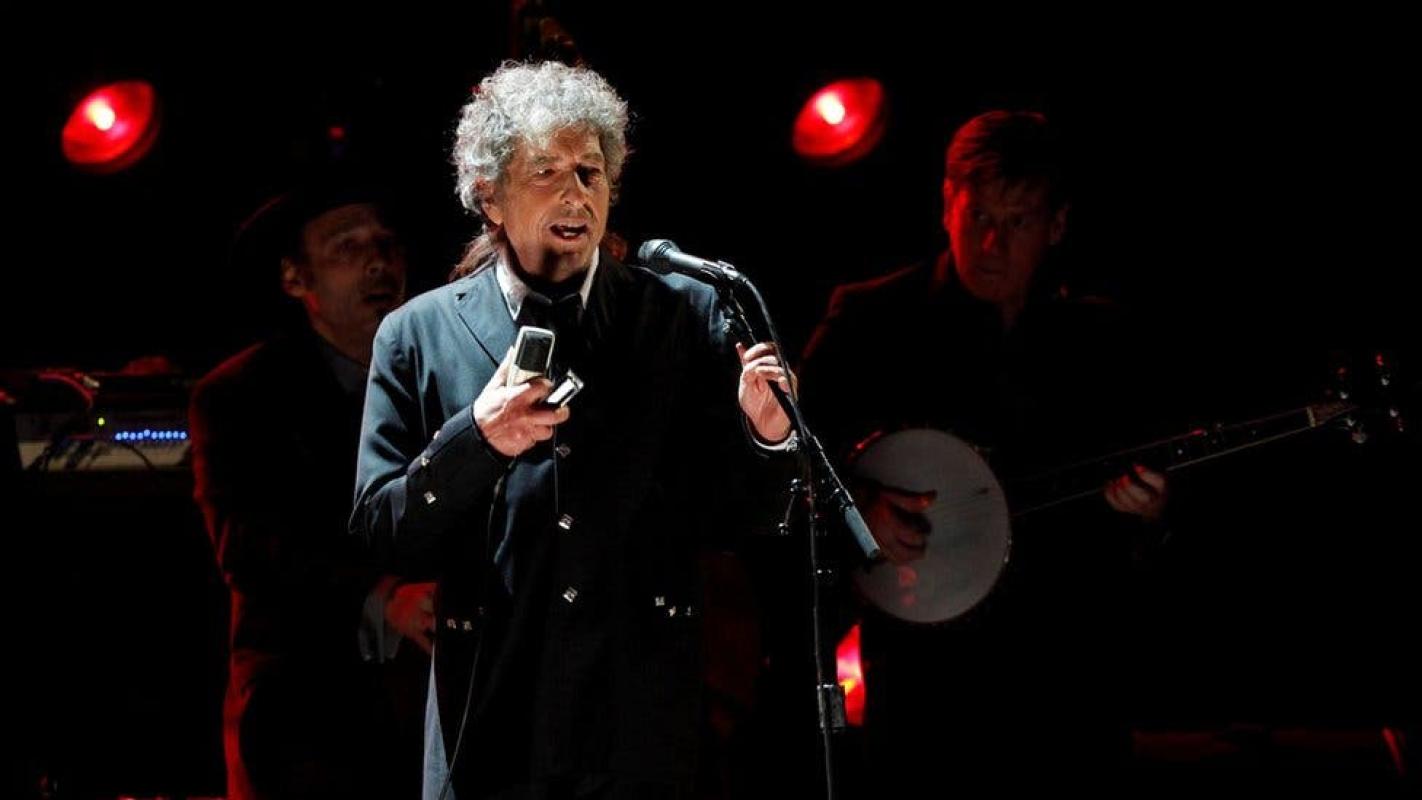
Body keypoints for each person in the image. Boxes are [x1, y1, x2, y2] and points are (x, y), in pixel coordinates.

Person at [350, 61, 797, 799]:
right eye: (547, 171)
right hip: (491, 723)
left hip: (639, 726)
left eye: (590, 172)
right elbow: (382, 532)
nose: (575, 194)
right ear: (489, 196)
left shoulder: (680, 315)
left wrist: (768, 437)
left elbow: (734, 520)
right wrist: (478, 439)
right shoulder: (416, 334)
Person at [799, 110, 1169, 789]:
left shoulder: (1102, 344)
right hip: (928, 684)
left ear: (1057, 225)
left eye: (1018, 221)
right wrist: (858, 510)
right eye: (978, 216)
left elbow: (1155, 517)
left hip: (1072, 680)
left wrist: (1150, 514)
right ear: (947, 204)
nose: (992, 242)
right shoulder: (872, 322)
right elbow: (782, 466)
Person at [190, 175, 430, 799]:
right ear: (296, 280)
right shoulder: (241, 395)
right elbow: (247, 547)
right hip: (306, 713)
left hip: (429, 706)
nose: (377, 262)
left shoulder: (439, 372)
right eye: (347, 248)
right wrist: (380, 595)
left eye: (385, 244)